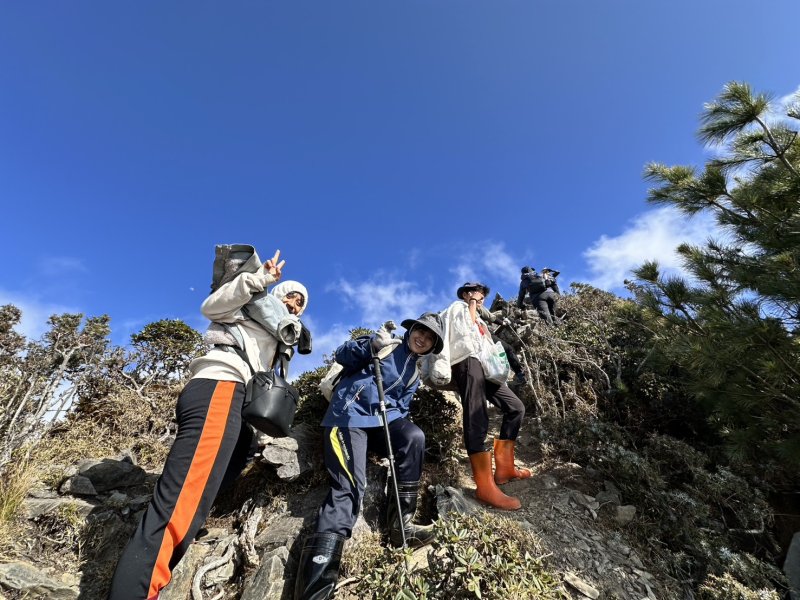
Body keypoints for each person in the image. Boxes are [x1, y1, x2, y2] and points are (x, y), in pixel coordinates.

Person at [109, 249, 308, 600]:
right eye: (290, 298)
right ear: (276, 295)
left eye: (300, 304)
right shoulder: (248, 303)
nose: (294, 306)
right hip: (220, 386)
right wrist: (257, 279)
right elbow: (211, 307)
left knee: (225, 470)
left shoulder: (277, 334)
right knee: (177, 509)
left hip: (235, 402)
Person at [294, 313, 445, 600]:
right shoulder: (386, 345)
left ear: (431, 346)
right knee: (350, 489)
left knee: (414, 437)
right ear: (411, 329)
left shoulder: (415, 373)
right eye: (420, 331)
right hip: (347, 417)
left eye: (430, 338)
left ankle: (401, 526)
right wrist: (371, 347)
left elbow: (402, 406)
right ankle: (314, 592)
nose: (423, 338)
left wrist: (395, 422)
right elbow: (343, 354)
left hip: (380, 424)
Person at [426, 283, 531, 511]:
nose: (480, 297)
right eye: (475, 293)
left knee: (515, 407)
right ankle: (485, 487)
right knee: (476, 416)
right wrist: (472, 303)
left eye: (482, 295)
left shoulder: (481, 318)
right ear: (465, 294)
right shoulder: (456, 308)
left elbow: (483, 338)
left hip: (484, 368)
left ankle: (504, 469)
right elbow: (464, 331)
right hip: (465, 362)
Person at [476, 304, 527, 387]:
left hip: (473, 343)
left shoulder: (458, 310)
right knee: (508, 349)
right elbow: (491, 317)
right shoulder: (474, 304)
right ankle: (521, 375)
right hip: (484, 336)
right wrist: (502, 322)